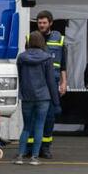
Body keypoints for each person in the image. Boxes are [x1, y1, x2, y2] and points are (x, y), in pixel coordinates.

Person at [14, 31, 60, 166]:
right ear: (42, 42)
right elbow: (51, 81)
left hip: (27, 96)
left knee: (27, 126)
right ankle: (34, 157)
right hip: (43, 97)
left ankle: (20, 156)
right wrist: (56, 102)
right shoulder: (47, 58)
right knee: (39, 126)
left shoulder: (21, 58)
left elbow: (20, 77)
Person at [28, 10, 67, 158]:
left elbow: (63, 64)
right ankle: (30, 148)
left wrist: (64, 82)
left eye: (44, 23)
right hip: (36, 83)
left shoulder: (59, 39)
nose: (41, 25)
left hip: (53, 83)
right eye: (39, 23)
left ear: (50, 23)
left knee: (50, 117)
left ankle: (45, 147)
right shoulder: (31, 38)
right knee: (32, 116)